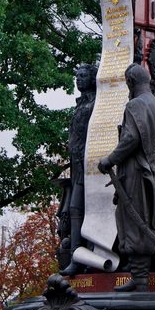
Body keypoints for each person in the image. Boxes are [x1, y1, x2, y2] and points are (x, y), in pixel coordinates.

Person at [98, 64, 155, 292]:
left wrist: (109, 160)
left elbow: (130, 139)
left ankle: (140, 278)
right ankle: (139, 275)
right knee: (147, 222)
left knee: (133, 221)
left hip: (135, 175)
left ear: (130, 82)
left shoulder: (134, 105)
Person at [59, 63, 97, 276]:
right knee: (75, 210)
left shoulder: (95, 104)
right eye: (78, 75)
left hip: (88, 165)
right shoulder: (82, 103)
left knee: (82, 209)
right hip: (76, 166)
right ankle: (77, 257)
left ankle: (85, 256)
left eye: (83, 76)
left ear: (92, 79)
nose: (79, 79)